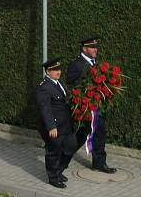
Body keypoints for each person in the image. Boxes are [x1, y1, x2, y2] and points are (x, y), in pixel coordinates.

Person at [67, 37, 116, 174]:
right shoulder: (76, 64)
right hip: (85, 108)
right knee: (81, 136)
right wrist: (84, 94)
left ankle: (99, 163)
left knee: (100, 132)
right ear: (84, 49)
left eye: (96, 47)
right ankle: (62, 157)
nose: (96, 50)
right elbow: (70, 85)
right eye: (93, 47)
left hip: (98, 107)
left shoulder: (96, 63)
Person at [36, 57, 77, 188]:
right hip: (55, 126)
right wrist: (51, 126)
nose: (58, 72)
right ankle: (53, 177)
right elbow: (45, 109)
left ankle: (58, 170)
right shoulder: (43, 87)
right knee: (53, 151)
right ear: (48, 72)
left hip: (66, 124)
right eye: (54, 70)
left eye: (59, 69)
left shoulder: (59, 83)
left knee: (70, 147)